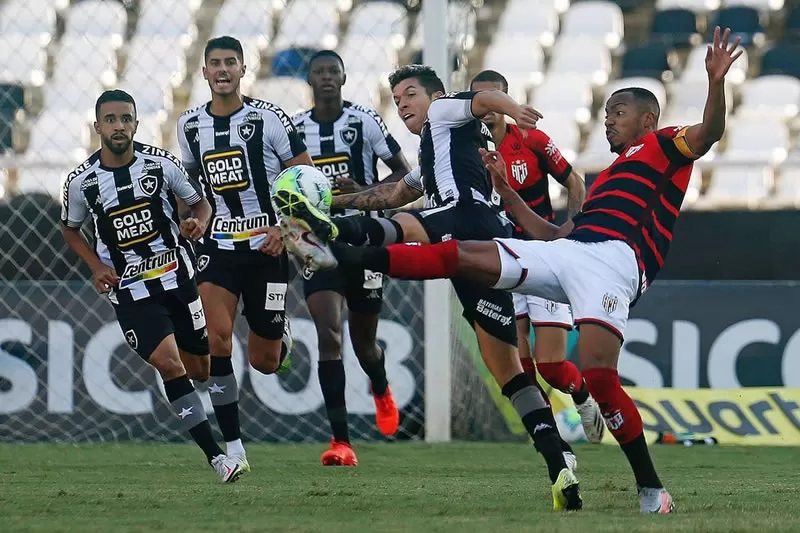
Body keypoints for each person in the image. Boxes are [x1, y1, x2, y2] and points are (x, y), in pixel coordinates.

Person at [298, 26, 742, 513]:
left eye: (617, 112)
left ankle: (651, 487)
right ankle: (340, 254)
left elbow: (710, 133)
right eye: (606, 112)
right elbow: (549, 236)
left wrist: (715, 83)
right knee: (462, 255)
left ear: (647, 118)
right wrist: (508, 195)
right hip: (569, 247)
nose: (607, 121)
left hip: (615, 264)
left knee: (597, 376)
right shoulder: (608, 174)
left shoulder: (663, 146)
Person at [274, 65, 582, 510]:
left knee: (396, 231)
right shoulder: (437, 150)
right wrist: (336, 199)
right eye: (397, 100)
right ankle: (560, 465)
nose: (402, 105)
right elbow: (396, 192)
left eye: (409, 94)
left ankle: (323, 236)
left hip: (464, 220)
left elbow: (485, 100)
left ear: (434, 95)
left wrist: (513, 108)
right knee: (508, 371)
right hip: (487, 245)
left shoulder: (444, 112)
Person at [61, 89, 245, 482]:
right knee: (168, 362)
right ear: (97, 127)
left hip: (178, 281)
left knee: (200, 369)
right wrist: (96, 266)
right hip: (129, 291)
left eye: (126, 118)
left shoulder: (161, 165)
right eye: (110, 120)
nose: (118, 126)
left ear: (136, 124)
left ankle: (222, 438)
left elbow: (201, 204)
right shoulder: (82, 183)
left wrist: (199, 223)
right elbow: (71, 228)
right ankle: (218, 459)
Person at [176, 36, 313, 472]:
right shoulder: (190, 125)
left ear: (242, 69)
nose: (222, 69)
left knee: (265, 362)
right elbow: (191, 191)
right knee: (217, 339)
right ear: (203, 72)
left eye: (230, 62)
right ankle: (233, 448)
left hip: (267, 246)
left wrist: (288, 231)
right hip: (218, 248)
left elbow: (309, 181)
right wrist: (194, 219)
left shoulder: (269, 119)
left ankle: (280, 331)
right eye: (214, 62)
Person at [469, 70, 604, 444]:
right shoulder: (465, 151)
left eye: (496, 100)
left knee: (552, 366)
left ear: (507, 103)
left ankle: (581, 397)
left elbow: (575, 181)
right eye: (481, 100)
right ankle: (552, 441)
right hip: (501, 262)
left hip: (544, 259)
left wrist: (572, 226)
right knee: (521, 367)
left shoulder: (531, 141)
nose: (488, 109)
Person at [291, 50, 412, 465]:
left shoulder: (364, 121)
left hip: (362, 241)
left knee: (364, 344)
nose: (326, 77)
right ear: (309, 80)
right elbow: (283, 184)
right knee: (329, 336)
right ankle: (340, 442)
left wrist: (363, 190)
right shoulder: (294, 130)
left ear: (344, 77)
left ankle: (380, 386)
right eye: (318, 72)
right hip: (314, 242)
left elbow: (403, 174)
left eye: (332, 71)